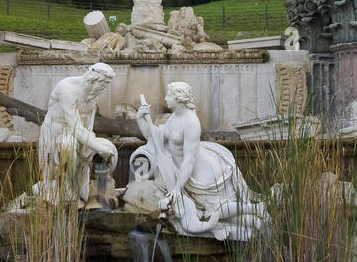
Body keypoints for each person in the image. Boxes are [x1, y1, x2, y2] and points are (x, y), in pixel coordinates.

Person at [135, 82, 266, 241]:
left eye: (169, 95)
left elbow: (189, 159)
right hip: (184, 173)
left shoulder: (191, 122)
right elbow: (153, 137)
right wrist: (140, 118)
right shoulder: (173, 117)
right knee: (208, 214)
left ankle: (253, 208)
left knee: (212, 210)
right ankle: (254, 217)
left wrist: (177, 188)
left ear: (179, 97)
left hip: (202, 174)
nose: (165, 98)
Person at [37, 63, 117, 203]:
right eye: (103, 85)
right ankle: (68, 188)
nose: (104, 89)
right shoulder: (67, 89)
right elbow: (75, 127)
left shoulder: (93, 94)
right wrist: (98, 147)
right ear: (94, 79)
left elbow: (88, 124)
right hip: (55, 138)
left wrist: (94, 144)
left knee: (108, 146)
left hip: (80, 136)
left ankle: (87, 188)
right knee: (68, 144)